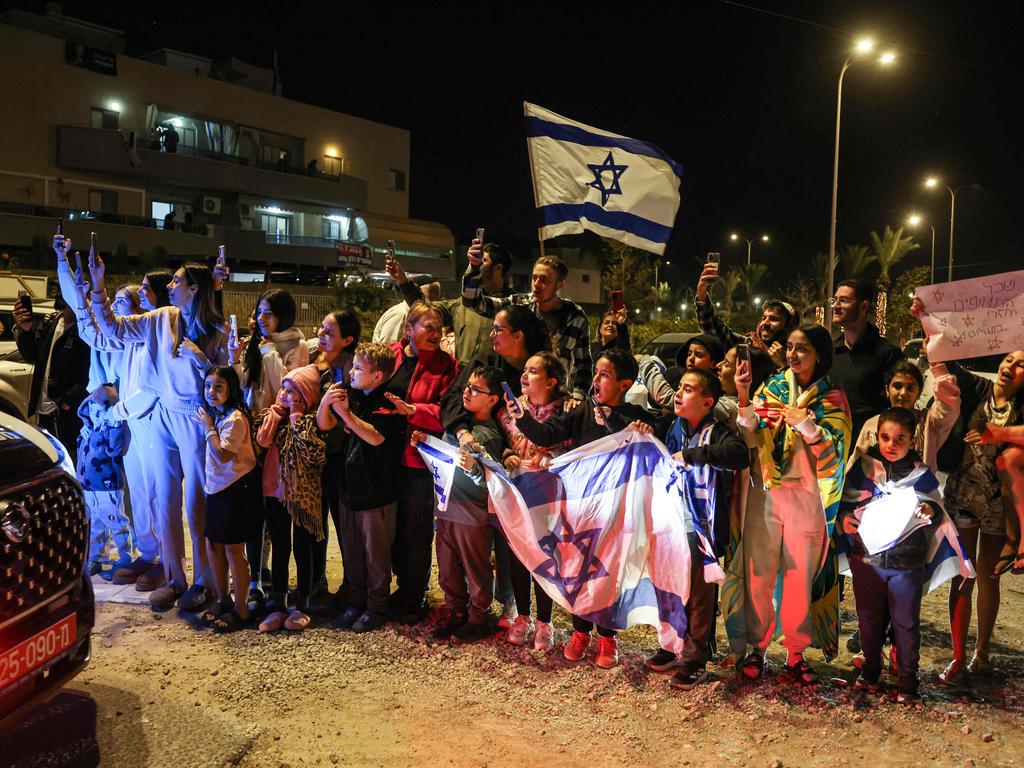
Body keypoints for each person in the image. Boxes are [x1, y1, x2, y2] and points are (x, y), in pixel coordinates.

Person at [86, 246, 231, 612]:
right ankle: (174, 577)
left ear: (195, 288)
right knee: (165, 502)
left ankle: (204, 582)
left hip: (196, 418)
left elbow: (227, 381)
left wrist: (201, 360)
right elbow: (111, 326)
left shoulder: (217, 329)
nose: (169, 285)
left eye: (177, 280)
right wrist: (99, 284)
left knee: (197, 505)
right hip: (164, 414)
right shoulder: (161, 317)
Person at [503, 348, 658, 668]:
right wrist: (523, 419)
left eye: (606, 375)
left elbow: (663, 435)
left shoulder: (634, 417)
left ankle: (607, 637)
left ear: (625, 384)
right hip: (580, 508)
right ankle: (580, 632)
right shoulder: (583, 411)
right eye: (596, 373)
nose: (597, 380)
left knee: (608, 572)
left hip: (615, 513)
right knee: (578, 569)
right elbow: (548, 433)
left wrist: (648, 431)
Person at [734, 325, 852, 684]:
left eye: (802, 349)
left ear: (819, 355)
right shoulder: (772, 389)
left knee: (800, 577)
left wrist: (810, 429)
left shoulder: (833, 398)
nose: (793, 354)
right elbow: (750, 434)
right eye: (789, 347)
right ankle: (758, 648)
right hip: (767, 493)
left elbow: (835, 455)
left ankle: (796, 653)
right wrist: (743, 397)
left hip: (807, 498)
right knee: (758, 575)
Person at [440, 304, 551, 628]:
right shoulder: (485, 364)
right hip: (484, 472)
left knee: (517, 541)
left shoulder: (536, 368)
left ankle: (522, 611)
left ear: (519, 336)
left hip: (525, 467)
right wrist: (462, 432)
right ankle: (491, 605)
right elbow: (452, 399)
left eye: (498, 329)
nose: (491, 335)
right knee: (481, 543)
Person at [645, 368, 749, 688]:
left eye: (688, 389)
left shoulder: (716, 433)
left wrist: (694, 456)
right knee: (671, 587)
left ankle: (695, 658)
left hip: (703, 528)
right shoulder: (674, 428)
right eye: (679, 387)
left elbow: (739, 455)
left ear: (707, 401)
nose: (679, 393)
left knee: (700, 597)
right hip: (672, 523)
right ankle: (672, 645)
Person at [839, 407, 944, 703]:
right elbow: (843, 505)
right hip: (867, 559)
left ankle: (908, 678)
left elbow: (937, 509)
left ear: (912, 440)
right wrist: (843, 518)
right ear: (876, 436)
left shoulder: (921, 475)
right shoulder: (862, 469)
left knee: (905, 621)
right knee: (868, 619)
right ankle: (871, 668)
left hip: (906, 563)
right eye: (885, 437)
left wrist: (930, 510)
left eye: (900, 438)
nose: (892, 444)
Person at [316, 343, 405, 633]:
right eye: (352, 366)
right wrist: (326, 404)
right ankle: (356, 600)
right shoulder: (351, 396)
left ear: (377, 377)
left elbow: (376, 437)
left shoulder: (389, 403)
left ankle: (377, 605)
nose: (351, 372)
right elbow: (325, 425)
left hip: (377, 492)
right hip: (349, 487)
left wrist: (346, 416)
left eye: (358, 368)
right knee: (351, 549)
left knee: (375, 553)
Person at [383, 300, 459, 623]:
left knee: (416, 530)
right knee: (392, 529)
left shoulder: (446, 365)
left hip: (419, 460)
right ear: (408, 329)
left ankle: (414, 595)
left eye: (439, 328)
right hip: (384, 456)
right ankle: (398, 588)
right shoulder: (390, 355)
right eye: (428, 326)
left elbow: (448, 411)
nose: (436, 333)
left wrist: (414, 411)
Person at [422, 366, 508, 643]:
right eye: (466, 387)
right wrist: (424, 444)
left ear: (493, 399)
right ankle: (456, 611)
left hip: (472, 514)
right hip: (446, 508)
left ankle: (478, 617)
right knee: (446, 565)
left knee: (475, 566)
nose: (467, 393)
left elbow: (492, 481)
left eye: (475, 389)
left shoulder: (489, 435)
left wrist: (473, 467)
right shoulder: (459, 426)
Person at [499, 352, 570, 649]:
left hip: (547, 498)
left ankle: (545, 621)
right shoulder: (508, 412)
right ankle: (522, 617)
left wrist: (551, 457)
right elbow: (502, 442)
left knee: (544, 557)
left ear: (552, 381)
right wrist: (507, 455)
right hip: (518, 495)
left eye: (533, 371)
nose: (525, 376)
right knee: (518, 554)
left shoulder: (564, 413)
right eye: (524, 370)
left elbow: (572, 450)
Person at [463, 244, 592, 407]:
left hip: (558, 398)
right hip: (521, 393)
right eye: (534, 278)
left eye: (544, 280)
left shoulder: (575, 316)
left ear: (560, 285)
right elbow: (473, 302)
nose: (537, 284)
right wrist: (474, 269)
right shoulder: (520, 304)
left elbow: (583, 364)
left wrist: (577, 398)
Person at [255, 365, 327, 632]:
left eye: (294, 391)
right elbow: (262, 441)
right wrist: (275, 414)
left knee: (303, 549)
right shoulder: (273, 416)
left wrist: (297, 416)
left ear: (306, 395)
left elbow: (310, 453)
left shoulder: (309, 421)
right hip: (273, 493)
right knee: (281, 547)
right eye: (284, 389)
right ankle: (278, 604)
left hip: (301, 498)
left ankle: (303, 604)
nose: (285, 395)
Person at [194, 366, 259, 632]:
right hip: (217, 488)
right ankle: (223, 599)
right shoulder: (218, 415)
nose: (211, 392)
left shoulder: (235, 419)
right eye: (208, 386)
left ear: (231, 389)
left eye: (218, 386)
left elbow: (222, 454)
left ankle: (242, 609)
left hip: (237, 487)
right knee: (213, 545)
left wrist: (208, 428)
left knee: (233, 549)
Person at [390, 243, 514, 365]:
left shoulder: (513, 308)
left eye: (483, 261)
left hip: (494, 380)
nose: (476, 264)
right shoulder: (462, 304)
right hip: (463, 378)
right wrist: (404, 281)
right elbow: (424, 309)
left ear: (498, 269)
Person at [310, 309, 361, 603]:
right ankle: (317, 582)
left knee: (344, 524)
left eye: (329, 332)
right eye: (321, 328)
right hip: (319, 456)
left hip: (340, 455)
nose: (321, 334)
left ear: (348, 340)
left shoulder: (350, 368)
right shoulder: (316, 360)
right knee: (316, 521)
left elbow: (341, 418)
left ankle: (352, 586)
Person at [12, 291, 90, 459]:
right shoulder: (51, 321)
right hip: (44, 407)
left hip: (67, 411)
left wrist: (69, 401)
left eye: (62, 289)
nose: (56, 294)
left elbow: (89, 370)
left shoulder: (86, 327)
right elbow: (31, 355)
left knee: (69, 458)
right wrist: (25, 330)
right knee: (48, 455)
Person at [850, 356, 960, 473]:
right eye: (897, 386)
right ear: (887, 390)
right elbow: (855, 462)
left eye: (910, 388)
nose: (903, 393)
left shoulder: (929, 422)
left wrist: (937, 366)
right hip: (875, 490)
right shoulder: (872, 424)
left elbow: (948, 404)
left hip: (919, 489)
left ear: (919, 393)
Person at [830, 279, 904, 440]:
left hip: (870, 450)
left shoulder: (888, 354)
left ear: (864, 306)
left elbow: (900, 404)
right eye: (834, 300)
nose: (835, 306)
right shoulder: (829, 353)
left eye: (843, 300)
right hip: (832, 448)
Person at [695, 261, 800, 370]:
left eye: (773, 319)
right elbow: (716, 331)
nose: (765, 323)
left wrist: (785, 366)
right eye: (764, 318)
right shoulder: (747, 346)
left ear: (788, 325)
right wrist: (701, 292)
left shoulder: (797, 353)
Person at [77, 384, 133, 577]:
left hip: (107, 488)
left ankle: (126, 559)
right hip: (89, 489)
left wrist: (115, 427)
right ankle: (97, 558)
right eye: (93, 411)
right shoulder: (87, 432)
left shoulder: (110, 432)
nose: (97, 416)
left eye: (102, 412)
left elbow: (114, 450)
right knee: (95, 526)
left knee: (117, 523)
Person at [240, 289, 309, 413]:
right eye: (259, 312)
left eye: (268, 313)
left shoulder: (298, 346)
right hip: (251, 419)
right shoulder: (256, 342)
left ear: (283, 316)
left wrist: (270, 352)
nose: (260, 318)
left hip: (276, 422)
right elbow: (242, 384)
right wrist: (234, 359)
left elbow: (288, 391)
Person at [373, 278, 441, 344]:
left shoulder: (419, 316)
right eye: (432, 297)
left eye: (437, 297)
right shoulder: (400, 314)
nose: (436, 302)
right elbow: (389, 349)